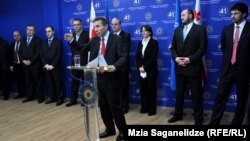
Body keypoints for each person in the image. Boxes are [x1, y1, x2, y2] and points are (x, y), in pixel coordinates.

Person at [65, 16, 128, 141]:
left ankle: (123, 131)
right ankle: (109, 129)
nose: (96, 29)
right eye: (94, 27)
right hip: (97, 77)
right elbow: (81, 48)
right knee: (103, 106)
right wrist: (72, 40)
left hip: (112, 78)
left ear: (106, 26)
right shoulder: (94, 40)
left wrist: (114, 66)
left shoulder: (118, 39)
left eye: (98, 26)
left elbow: (124, 57)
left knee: (114, 106)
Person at [210, 2, 250, 125]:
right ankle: (214, 123)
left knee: (242, 100)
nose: (232, 16)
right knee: (219, 98)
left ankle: (236, 125)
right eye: (231, 13)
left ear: (244, 14)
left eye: (236, 13)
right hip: (227, 69)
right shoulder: (226, 29)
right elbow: (224, 49)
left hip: (244, 71)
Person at [169, 9, 207, 125]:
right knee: (179, 94)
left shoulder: (200, 29)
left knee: (196, 95)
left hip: (193, 67)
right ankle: (178, 114)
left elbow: (202, 49)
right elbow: (173, 48)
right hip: (179, 67)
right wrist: (176, 58)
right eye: (180, 15)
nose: (181, 17)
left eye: (183, 15)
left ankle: (198, 119)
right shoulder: (177, 30)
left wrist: (189, 59)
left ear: (191, 15)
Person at [65, 18, 89, 107]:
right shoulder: (71, 35)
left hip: (84, 62)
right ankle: (73, 100)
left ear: (81, 24)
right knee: (74, 82)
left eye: (77, 24)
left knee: (85, 82)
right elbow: (72, 48)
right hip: (74, 62)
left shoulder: (87, 34)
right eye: (74, 25)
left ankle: (85, 100)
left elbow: (86, 48)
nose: (76, 26)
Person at [135, 25, 159, 116]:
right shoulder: (140, 43)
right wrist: (139, 67)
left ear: (150, 32)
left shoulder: (154, 42)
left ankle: (152, 110)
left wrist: (144, 67)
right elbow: (137, 57)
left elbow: (153, 58)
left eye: (145, 31)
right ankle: (144, 107)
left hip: (151, 70)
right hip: (141, 71)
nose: (143, 32)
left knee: (151, 90)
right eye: (142, 31)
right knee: (143, 90)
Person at [19, 24, 44, 103]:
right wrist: (23, 60)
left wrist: (31, 61)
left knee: (38, 81)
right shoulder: (22, 39)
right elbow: (20, 52)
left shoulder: (38, 40)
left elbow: (38, 52)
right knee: (28, 81)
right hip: (25, 65)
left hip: (35, 65)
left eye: (31, 30)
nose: (29, 31)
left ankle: (40, 97)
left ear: (34, 31)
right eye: (28, 29)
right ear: (26, 30)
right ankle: (29, 96)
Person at [111, 17, 131, 114]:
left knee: (124, 88)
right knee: (114, 88)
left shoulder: (126, 36)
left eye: (116, 24)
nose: (113, 26)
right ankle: (116, 106)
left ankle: (124, 106)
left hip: (122, 67)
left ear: (120, 25)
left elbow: (124, 52)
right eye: (112, 24)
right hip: (111, 68)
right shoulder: (109, 36)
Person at [40, 26, 64, 106]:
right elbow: (42, 55)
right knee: (49, 83)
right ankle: (52, 97)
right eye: (46, 32)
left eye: (49, 31)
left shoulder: (58, 42)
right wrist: (46, 64)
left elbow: (58, 55)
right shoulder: (43, 42)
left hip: (55, 67)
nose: (47, 33)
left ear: (53, 32)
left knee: (58, 83)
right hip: (46, 67)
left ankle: (60, 98)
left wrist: (52, 65)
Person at [9, 31, 25, 99]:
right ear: (13, 37)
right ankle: (20, 94)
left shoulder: (24, 43)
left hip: (23, 64)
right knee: (18, 80)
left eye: (18, 35)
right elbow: (10, 56)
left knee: (26, 80)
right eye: (15, 35)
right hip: (16, 65)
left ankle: (28, 94)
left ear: (20, 36)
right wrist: (11, 65)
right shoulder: (12, 45)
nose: (16, 37)